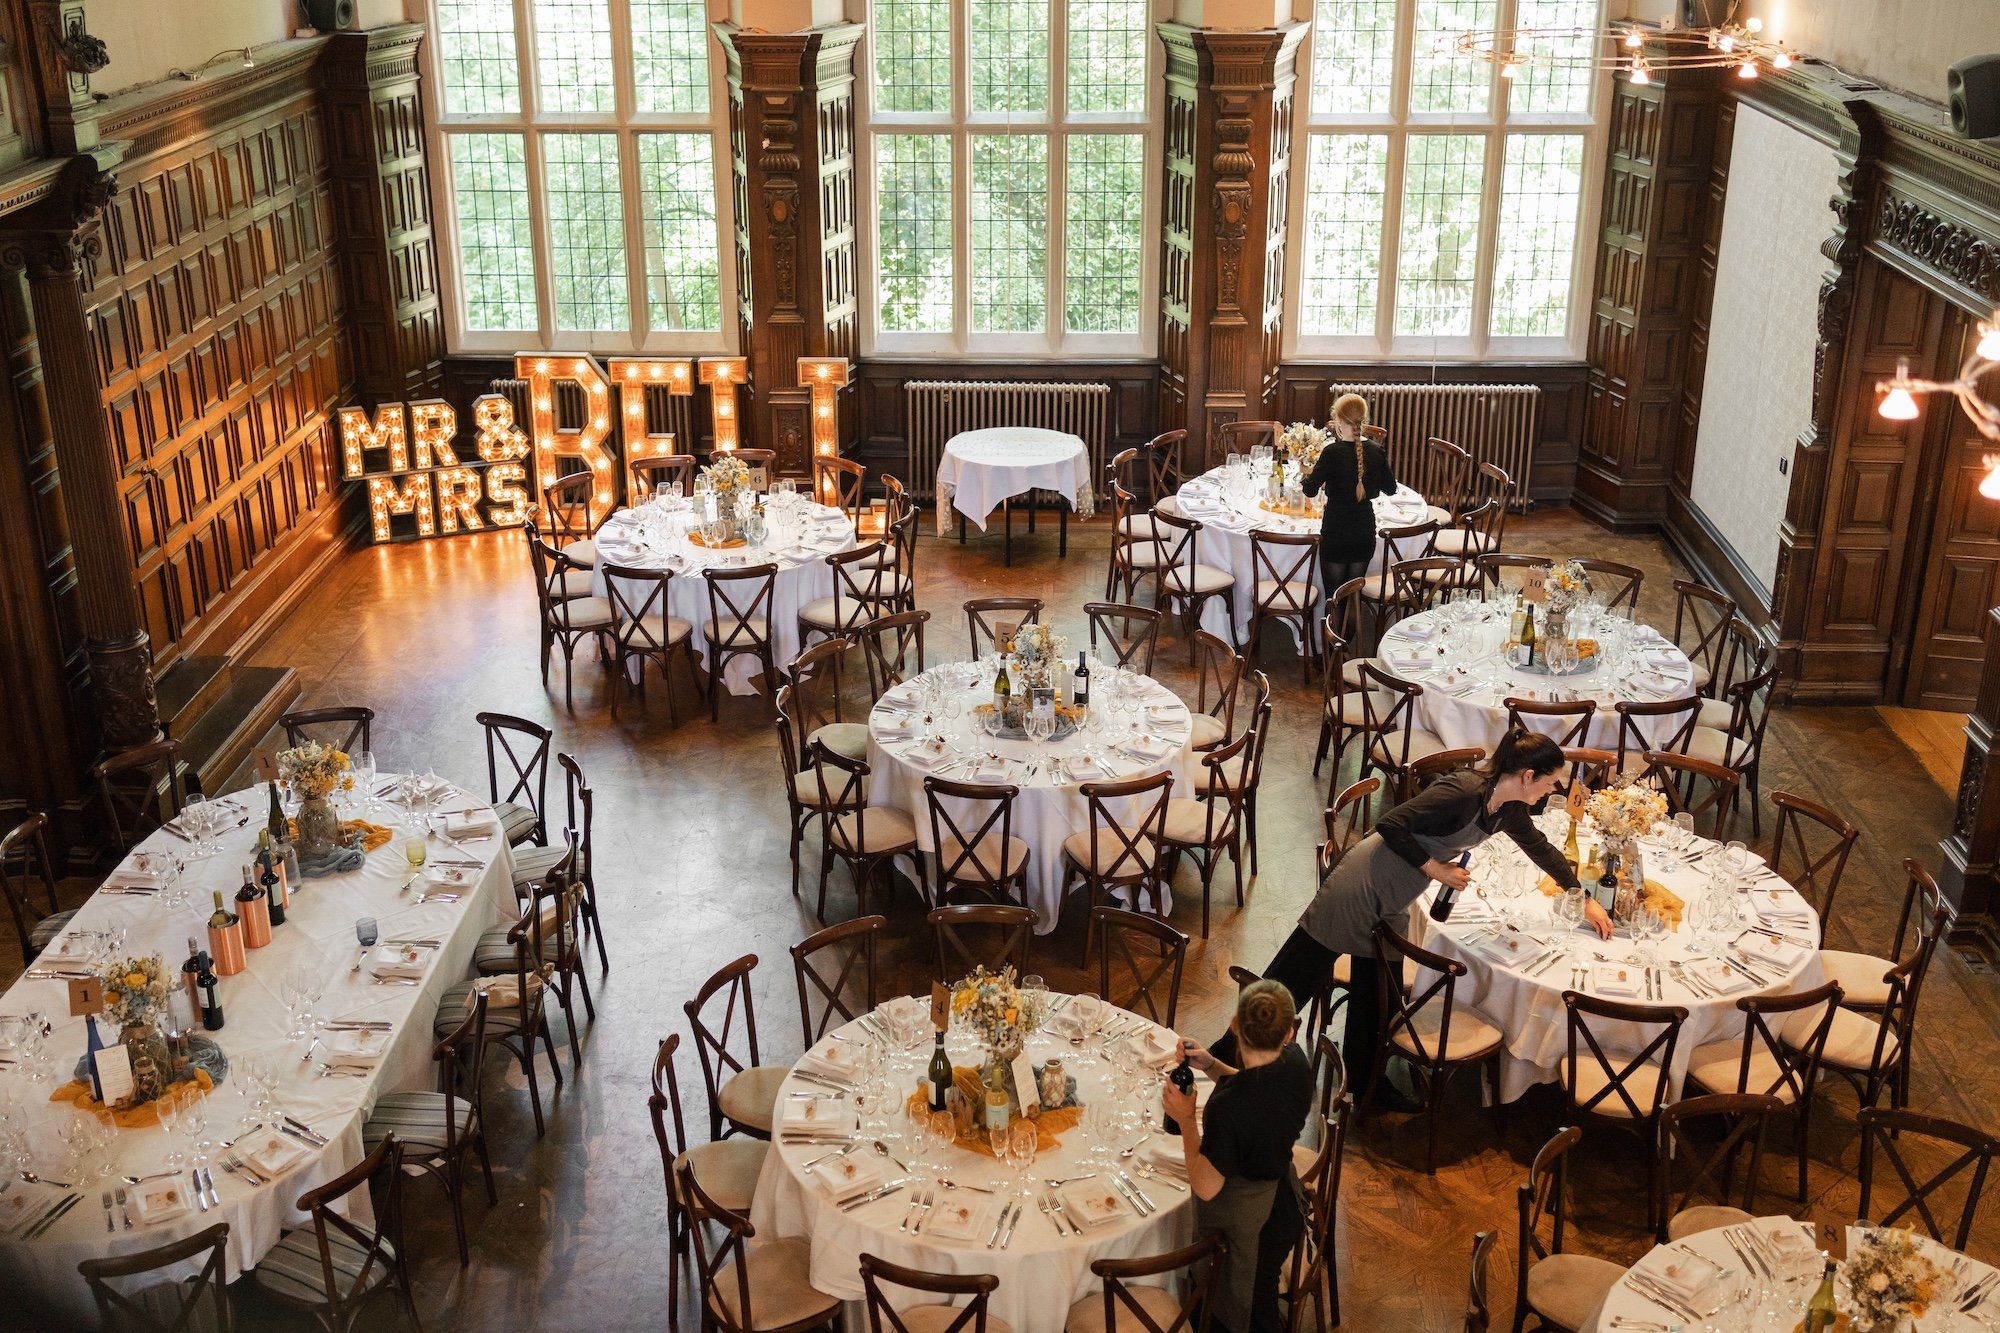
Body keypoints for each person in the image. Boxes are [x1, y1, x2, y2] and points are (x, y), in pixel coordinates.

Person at [1216, 729, 1613, 1109]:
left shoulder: (1508, 809)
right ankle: (1218, 1062)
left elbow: (1541, 850)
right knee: (1288, 985)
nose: (1553, 790)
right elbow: (1390, 824)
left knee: (1377, 998)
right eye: (1550, 782)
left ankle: (1364, 1085)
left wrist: (1583, 898)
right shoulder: (1462, 792)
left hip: (1394, 894)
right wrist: (1436, 870)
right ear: (1528, 776)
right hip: (1362, 886)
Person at [1164, 980, 1313, 1333]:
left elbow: (1205, 1186)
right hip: (1285, 1205)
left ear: (1234, 1025)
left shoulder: (1230, 1109)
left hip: (1252, 1227)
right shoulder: (1295, 1063)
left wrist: (1186, 1120)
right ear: (1289, 1032)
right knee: (1260, 1301)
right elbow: (1256, 1085)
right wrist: (1211, 1064)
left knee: (1251, 1313)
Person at [1300, 392, 1397, 599]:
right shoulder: (1376, 451)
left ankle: (1331, 631)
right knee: (1352, 597)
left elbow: (1310, 490)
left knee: (1333, 597)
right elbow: (1391, 489)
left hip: (1336, 531)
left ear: (1338, 421)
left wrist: (1304, 478)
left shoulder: (1332, 452)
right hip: (1364, 531)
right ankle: (1349, 633)